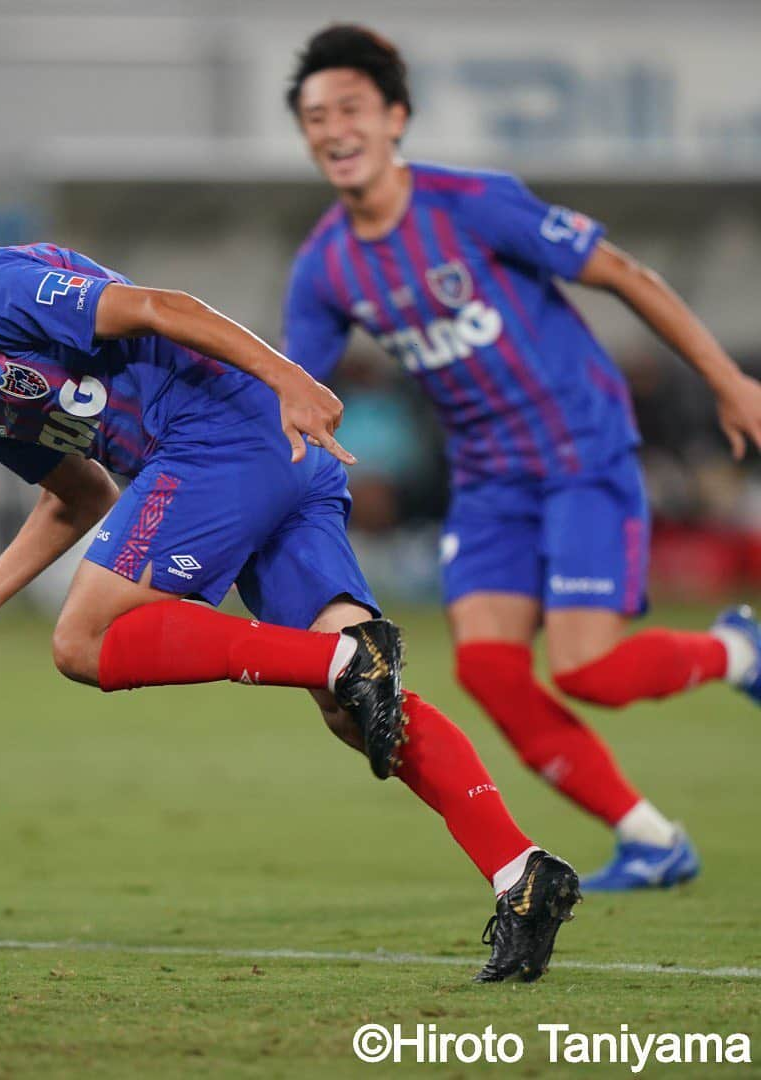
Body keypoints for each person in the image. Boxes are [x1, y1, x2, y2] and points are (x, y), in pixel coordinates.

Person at [0, 244, 581, 981]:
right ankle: (520, 873)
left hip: (222, 436)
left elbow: (161, 308)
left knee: (84, 641)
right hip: (257, 460)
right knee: (355, 713)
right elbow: (76, 491)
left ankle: (343, 657)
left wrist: (289, 378)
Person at [282, 24, 761, 892]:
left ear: (396, 116)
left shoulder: (473, 202)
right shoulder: (324, 267)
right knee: (488, 669)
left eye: (350, 107)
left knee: (590, 671)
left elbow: (621, 272)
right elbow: (291, 389)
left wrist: (729, 380)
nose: (332, 128)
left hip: (583, 454)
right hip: (489, 480)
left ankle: (738, 652)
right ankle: (652, 840)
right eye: (314, 116)